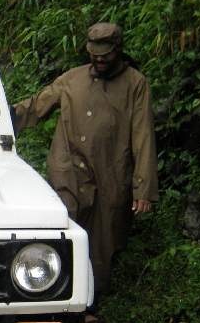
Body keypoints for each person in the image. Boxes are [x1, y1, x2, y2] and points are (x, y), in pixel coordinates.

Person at [14, 22, 158, 302]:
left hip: (111, 171)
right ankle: (48, 293)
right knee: (61, 229)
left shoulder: (135, 84)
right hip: (68, 168)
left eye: (105, 54)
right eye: (94, 54)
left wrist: (143, 189)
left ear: (118, 50)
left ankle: (90, 304)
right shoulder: (72, 78)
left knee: (103, 241)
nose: (99, 60)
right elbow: (35, 106)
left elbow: (143, 136)